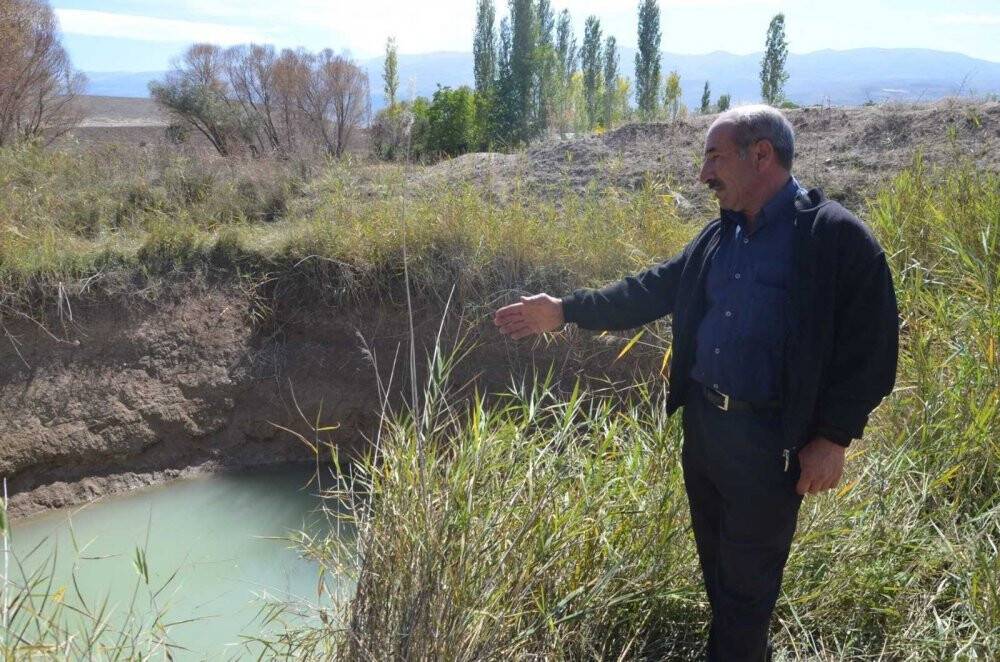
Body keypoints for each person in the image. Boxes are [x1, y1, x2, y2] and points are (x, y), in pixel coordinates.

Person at [492, 105, 899, 661]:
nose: (703, 173)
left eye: (714, 156)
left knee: (746, 595)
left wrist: (832, 437)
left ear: (761, 155)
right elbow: (650, 290)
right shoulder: (718, 237)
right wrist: (565, 311)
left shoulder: (835, 238)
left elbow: (873, 350)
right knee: (720, 580)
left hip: (769, 444)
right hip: (705, 433)